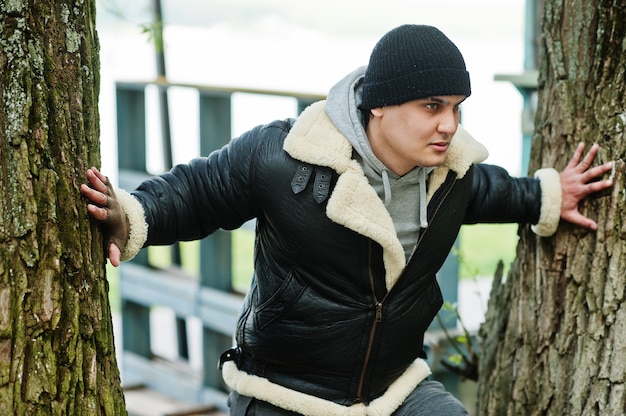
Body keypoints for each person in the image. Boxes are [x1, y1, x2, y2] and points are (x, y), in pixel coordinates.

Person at [81, 24, 613, 415]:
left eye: (457, 107)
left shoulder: (454, 176)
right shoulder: (282, 155)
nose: (449, 124)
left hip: (395, 389)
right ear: (379, 105)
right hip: (282, 391)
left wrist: (548, 194)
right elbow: (197, 191)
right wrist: (130, 216)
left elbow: (497, 192)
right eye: (432, 106)